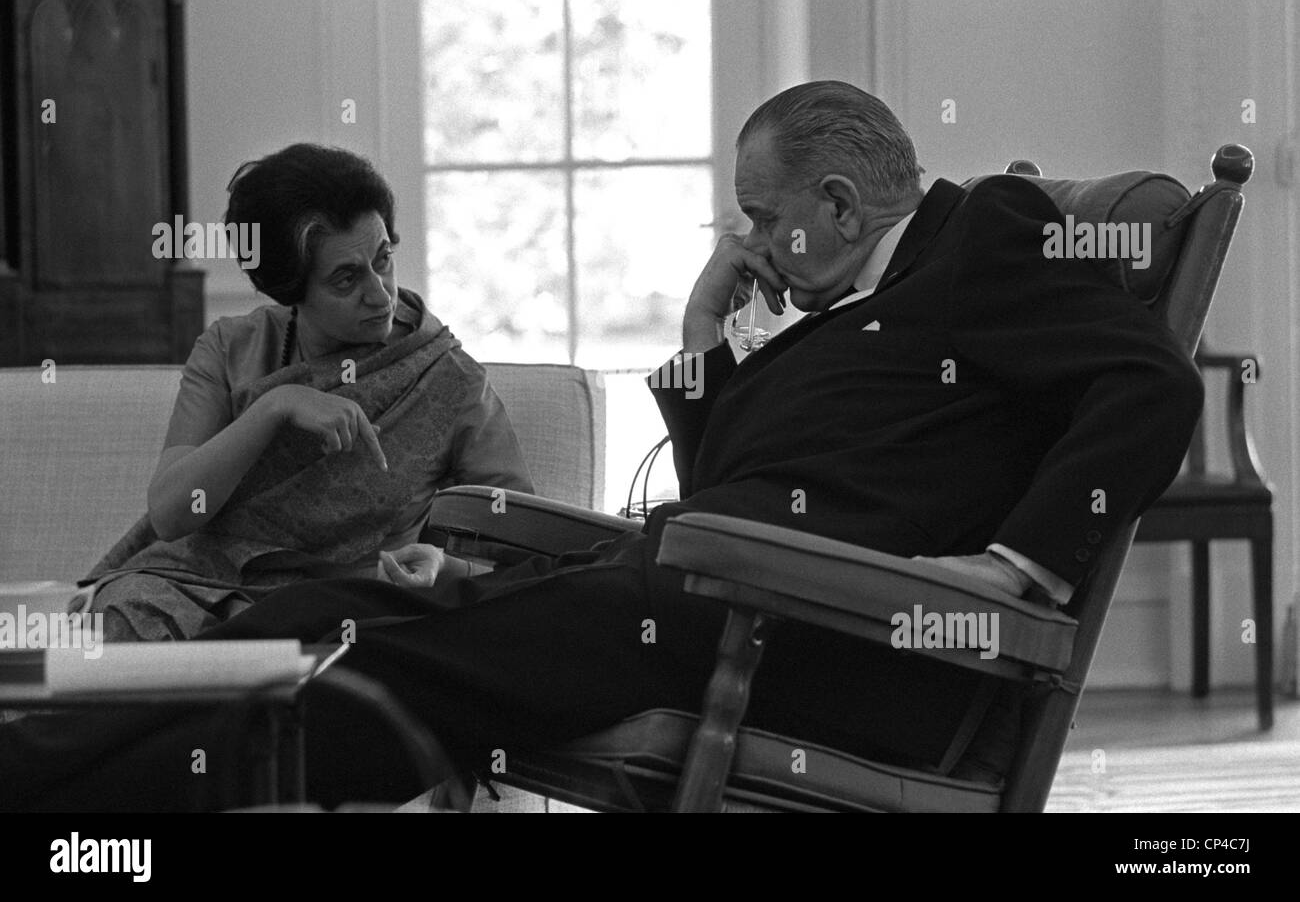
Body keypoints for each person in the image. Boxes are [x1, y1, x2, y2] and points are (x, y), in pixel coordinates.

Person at [0, 82, 1202, 810]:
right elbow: (729, 473)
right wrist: (700, 334)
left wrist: (1018, 572)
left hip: (807, 632)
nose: (754, 239)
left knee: (383, 672)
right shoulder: (849, 317)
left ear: (839, 204)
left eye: (762, 214)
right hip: (700, 589)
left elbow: (1150, 381)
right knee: (298, 614)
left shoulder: (985, 229)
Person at [76, 144, 533, 642]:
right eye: (346, 279)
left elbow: (522, 551)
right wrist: (274, 407)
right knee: (115, 624)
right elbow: (171, 515)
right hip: (197, 589)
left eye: (383, 260)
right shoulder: (231, 349)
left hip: (344, 607)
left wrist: (446, 568)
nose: (381, 295)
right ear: (290, 288)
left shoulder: (448, 378)